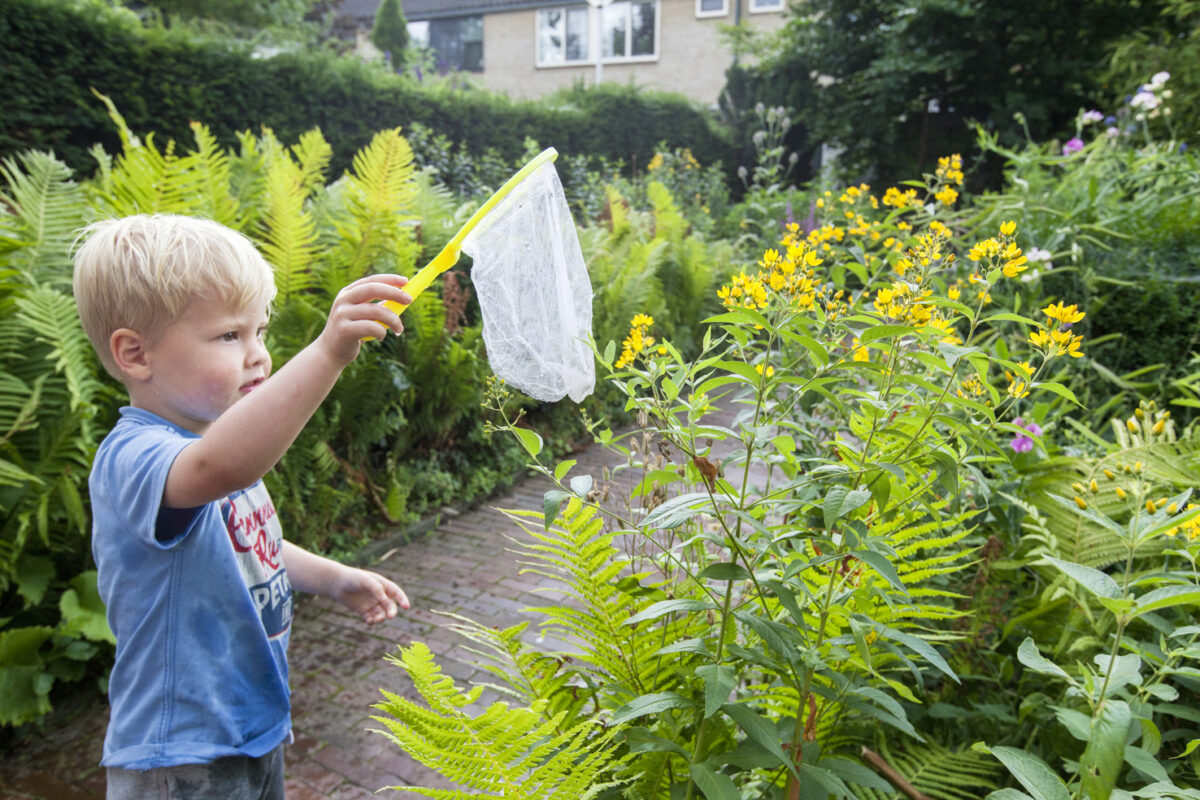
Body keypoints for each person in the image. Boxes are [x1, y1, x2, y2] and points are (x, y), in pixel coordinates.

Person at [73, 214, 413, 799]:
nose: (258, 355)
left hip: (250, 730)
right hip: (180, 755)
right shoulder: (138, 456)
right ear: (135, 354)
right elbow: (225, 467)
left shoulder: (211, 441)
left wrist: (334, 578)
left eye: (261, 331)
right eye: (231, 336)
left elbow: (250, 543)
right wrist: (330, 351)